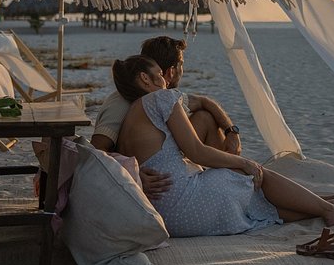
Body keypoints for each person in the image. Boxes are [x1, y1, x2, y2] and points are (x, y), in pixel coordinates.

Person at [112, 54, 334, 237]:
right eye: (159, 75)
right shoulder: (160, 98)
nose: (166, 81)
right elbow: (196, 152)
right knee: (254, 174)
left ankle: (327, 206)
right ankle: (330, 209)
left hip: (166, 215)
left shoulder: (129, 117)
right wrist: (245, 162)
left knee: (258, 205)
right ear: (145, 78)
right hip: (183, 202)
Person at [92, 36, 239, 199]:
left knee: (204, 117)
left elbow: (204, 102)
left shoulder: (164, 97)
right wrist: (133, 173)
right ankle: (231, 183)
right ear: (171, 71)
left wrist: (231, 132)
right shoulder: (121, 103)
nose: (183, 70)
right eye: (181, 65)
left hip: (164, 165)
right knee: (204, 122)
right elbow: (96, 150)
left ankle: (230, 179)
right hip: (138, 179)